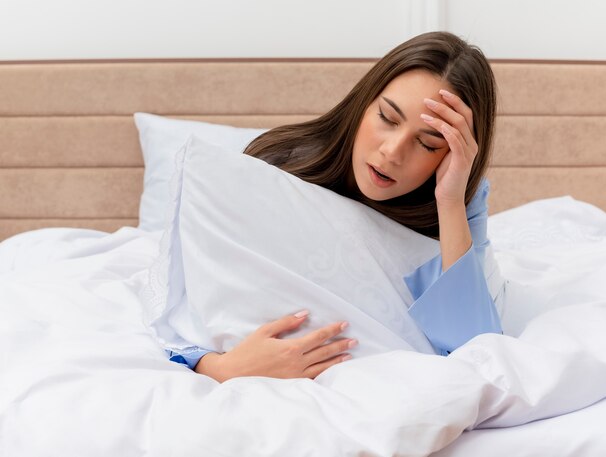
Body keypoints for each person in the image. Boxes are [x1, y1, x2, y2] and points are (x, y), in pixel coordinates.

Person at [168, 31, 503, 382]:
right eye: (387, 118)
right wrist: (221, 367)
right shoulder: (279, 166)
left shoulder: (460, 199)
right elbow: (181, 307)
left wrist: (449, 202)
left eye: (427, 143)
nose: (392, 151)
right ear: (363, 104)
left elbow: (477, 350)